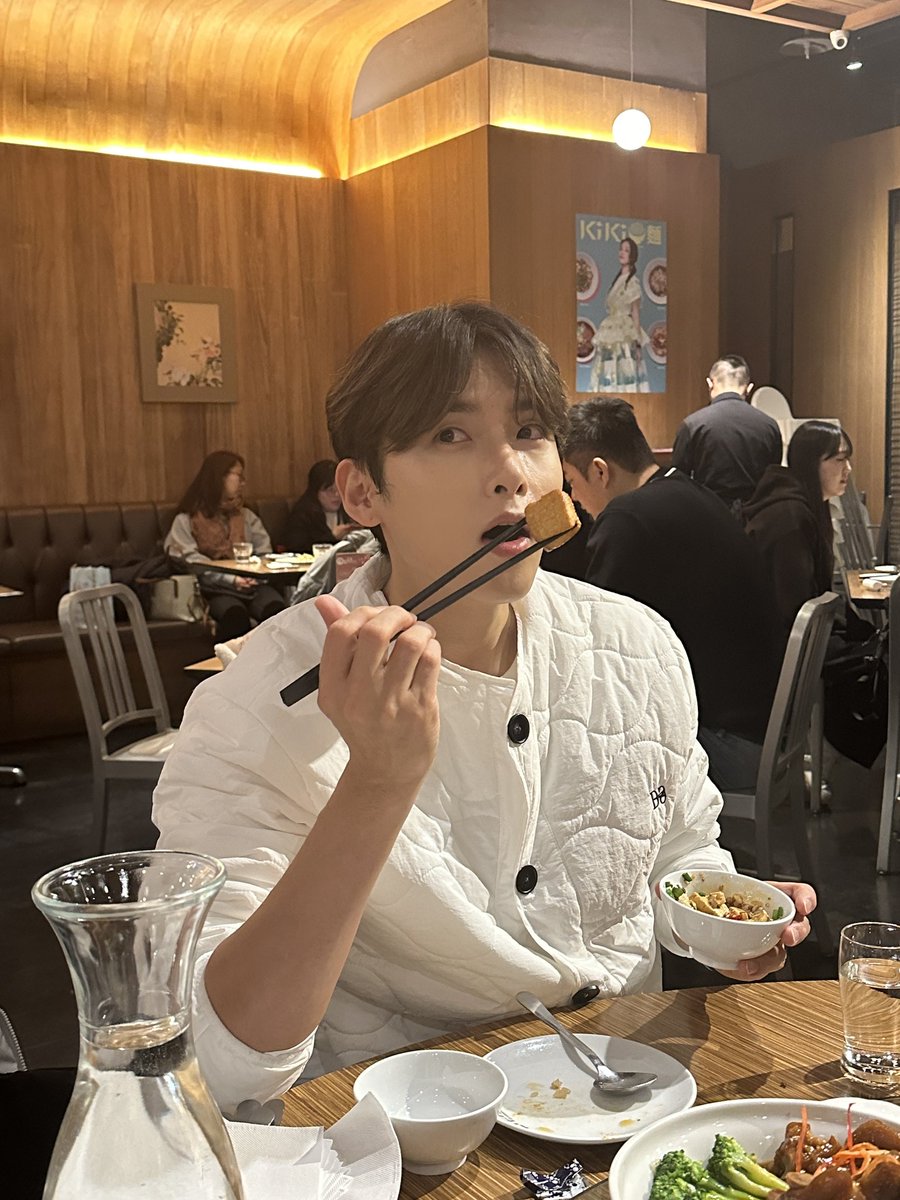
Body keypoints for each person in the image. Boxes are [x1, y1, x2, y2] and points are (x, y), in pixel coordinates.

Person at [153, 302, 814, 1110]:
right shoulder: (256, 704)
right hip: (407, 1125)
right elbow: (221, 1060)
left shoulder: (636, 643)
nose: (512, 473)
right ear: (362, 492)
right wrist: (376, 783)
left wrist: (719, 920)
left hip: (627, 1096)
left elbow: (680, 847)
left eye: (531, 431)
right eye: (450, 434)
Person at [562, 398, 783, 792]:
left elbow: (595, 645)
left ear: (599, 471)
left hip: (731, 747)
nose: (574, 499)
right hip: (765, 731)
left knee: (572, 745)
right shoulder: (688, 490)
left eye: (572, 483)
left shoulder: (626, 518)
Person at [743, 421, 852, 635]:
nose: (848, 468)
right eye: (840, 459)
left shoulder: (810, 506)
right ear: (811, 463)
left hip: (802, 637)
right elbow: (795, 609)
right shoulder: (788, 517)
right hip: (774, 642)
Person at [165, 450, 286, 641]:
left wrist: (255, 577)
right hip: (213, 589)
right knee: (234, 615)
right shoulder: (187, 519)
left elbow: (265, 552)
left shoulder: (247, 516)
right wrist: (231, 580)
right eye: (239, 476)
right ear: (219, 478)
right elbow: (190, 560)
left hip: (254, 586)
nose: (243, 483)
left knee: (277, 610)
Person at [671, 355, 782, 510]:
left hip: (709, 514)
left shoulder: (692, 425)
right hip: (756, 515)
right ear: (749, 388)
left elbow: (678, 481)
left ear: (710, 384)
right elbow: (773, 478)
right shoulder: (769, 426)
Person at [589, 237, 649, 393]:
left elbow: (635, 312)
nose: (622, 252)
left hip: (625, 331)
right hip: (610, 327)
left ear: (632, 255)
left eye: (626, 250)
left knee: (625, 368)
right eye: (621, 249)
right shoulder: (618, 280)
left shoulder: (632, 282)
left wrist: (637, 341)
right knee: (607, 368)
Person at [283, 460, 358, 553]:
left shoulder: (348, 508)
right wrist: (332, 537)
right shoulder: (303, 513)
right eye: (330, 490)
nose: (337, 495)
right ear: (315, 491)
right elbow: (296, 547)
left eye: (339, 489)